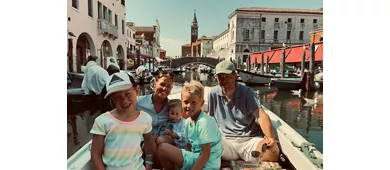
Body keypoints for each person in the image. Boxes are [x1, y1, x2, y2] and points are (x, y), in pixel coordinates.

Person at [208, 60, 280, 163]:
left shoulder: (247, 92)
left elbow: (261, 116)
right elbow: (210, 119)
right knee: (203, 147)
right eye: (220, 77)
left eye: (227, 77)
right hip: (225, 141)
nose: (224, 81)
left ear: (234, 75)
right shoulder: (213, 93)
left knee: (273, 152)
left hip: (249, 141)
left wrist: (269, 137)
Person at [90, 72, 154, 170]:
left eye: (128, 94)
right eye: (117, 97)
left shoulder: (145, 119)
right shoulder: (102, 122)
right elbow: (95, 154)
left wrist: (149, 163)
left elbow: (149, 141)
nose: (124, 100)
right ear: (112, 99)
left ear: (137, 91)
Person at [157, 81, 223, 170]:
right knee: (162, 149)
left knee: (163, 148)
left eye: (194, 102)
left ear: (202, 103)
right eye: (186, 102)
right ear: (181, 103)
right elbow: (189, 147)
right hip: (195, 157)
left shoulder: (204, 122)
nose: (189, 106)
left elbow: (206, 154)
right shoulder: (188, 122)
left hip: (208, 164)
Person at [136, 71, 175, 167]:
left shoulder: (172, 106)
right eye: (162, 84)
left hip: (164, 139)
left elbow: (178, 123)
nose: (165, 88)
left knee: (162, 142)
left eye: (169, 86)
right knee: (151, 144)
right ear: (154, 84)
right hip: (145, 139)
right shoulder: (139, 102)